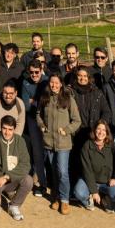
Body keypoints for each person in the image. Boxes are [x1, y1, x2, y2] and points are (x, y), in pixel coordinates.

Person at [37, 74, 81, 213]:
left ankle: (64, 200)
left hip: (63, 142)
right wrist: (42, 126)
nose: (54, 85)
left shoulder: (68, 99)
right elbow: (38, 114)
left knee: (62, 171)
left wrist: (67, 130)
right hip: (48, 141)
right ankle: (56, 197)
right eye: (51, 82)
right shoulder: (44, 98)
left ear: (61, 84)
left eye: (56, 83)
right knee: (54, 171)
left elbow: (77, 120)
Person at [0, 115, 33, 221]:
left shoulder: (20, 141)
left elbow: (26, 165)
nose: (7, 132)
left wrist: (7, 176)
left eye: (10, 129)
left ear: (14, 129)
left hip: (11, 179)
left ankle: (14, 206)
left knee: (28, 180)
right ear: (1, 128)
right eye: (4, 128)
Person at [73, 119, 115, 211]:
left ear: (107, 132)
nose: (101, 132)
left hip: (106, 181)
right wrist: (94, 191)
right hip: (89, 180)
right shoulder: (87, 146)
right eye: (98, 129)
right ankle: (89, 200)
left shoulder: (111, 145)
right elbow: (87, 170)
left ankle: (104, 199)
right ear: (94, 130)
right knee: (79, 193)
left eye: (104, 130)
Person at [18, 61, 47, 197]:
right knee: (37, 153)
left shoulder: (47, 81)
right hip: (32, 121)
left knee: (50, 151)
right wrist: (37, 101)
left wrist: (33, 100)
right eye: (32, 72)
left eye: (37, 72)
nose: (34, 75)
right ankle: (40, 183)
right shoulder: (25, 83)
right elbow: (25, 105)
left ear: (41, 70)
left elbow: (48, 103)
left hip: (48, 119)